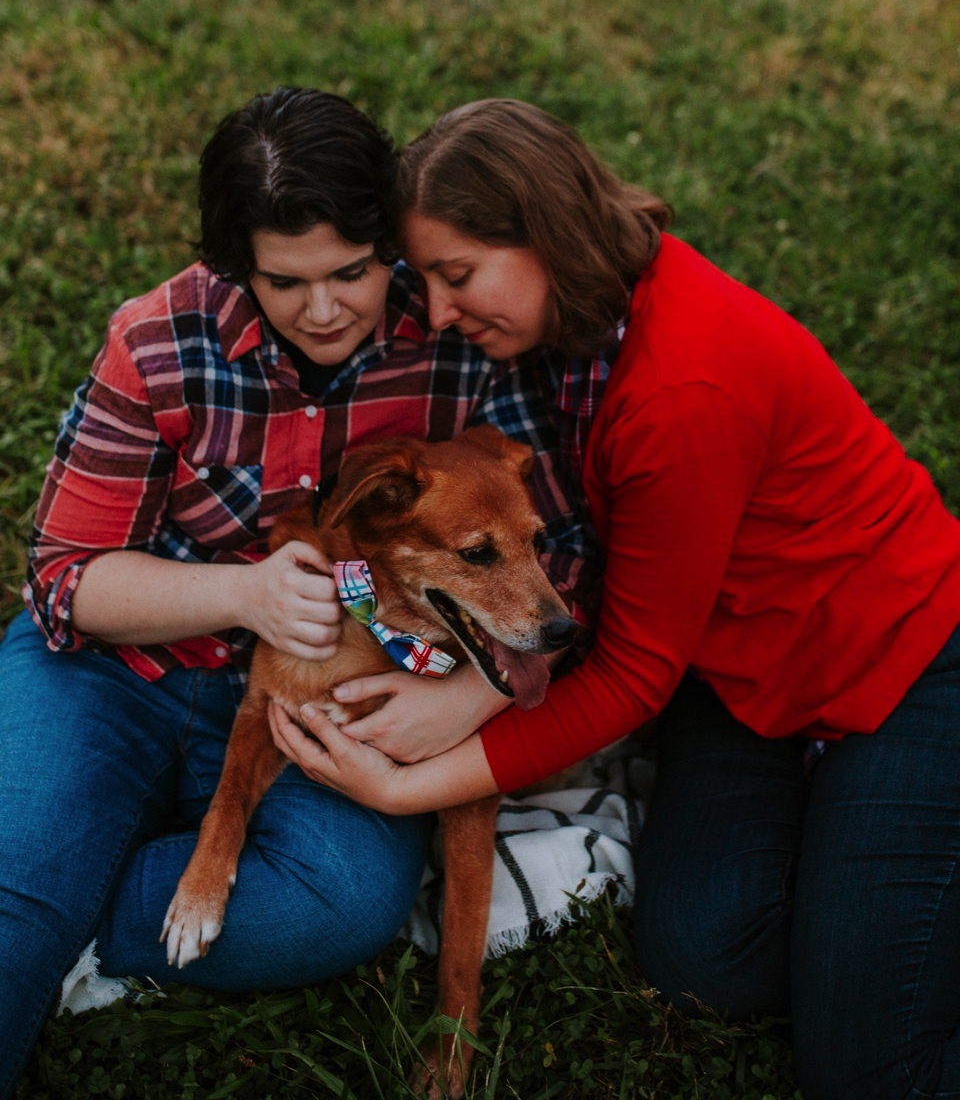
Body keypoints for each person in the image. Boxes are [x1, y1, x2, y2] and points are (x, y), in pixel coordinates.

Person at [272, 98, 960, 1100]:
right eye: (427, 282)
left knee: (872, 1063)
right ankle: (871, 898)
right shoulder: (587, 321)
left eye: (457, 276)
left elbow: (633, 672)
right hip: (739, 673)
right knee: (705, 961)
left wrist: (407, 786)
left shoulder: (682, 387)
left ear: (544, 233)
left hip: (902, 662)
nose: (444, 311)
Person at [0, 88, 592, 1100]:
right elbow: (62, 581)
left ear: (388, 242)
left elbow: (558, 546)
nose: (325, 310)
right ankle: (47, 887)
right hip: (126, 671)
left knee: (337, 908)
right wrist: (244, 594)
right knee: (15, 904)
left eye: (352, 273)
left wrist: (476, 695)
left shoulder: (456, 332)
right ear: (241, 266)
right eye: (286, 282)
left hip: (347, 699)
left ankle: (65, 883)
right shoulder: (158, 340)